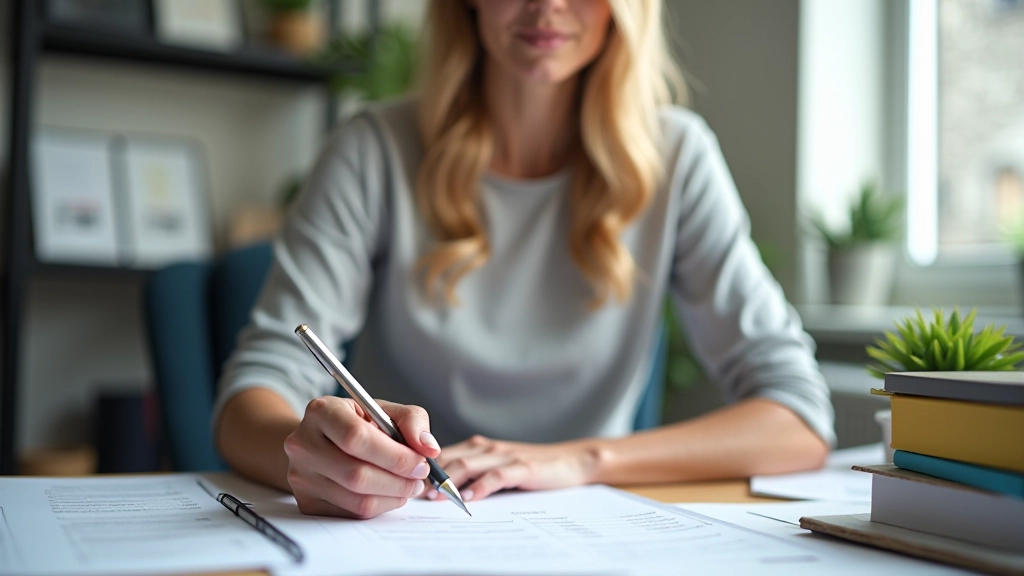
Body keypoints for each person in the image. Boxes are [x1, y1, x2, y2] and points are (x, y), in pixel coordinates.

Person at [214, 0, 833, 520]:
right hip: (409, 523)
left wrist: (582, 459)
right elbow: (253, 397)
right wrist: (313, 456)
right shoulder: (371, 150)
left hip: (588, 528)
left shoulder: (676, 157)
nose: (547, 5)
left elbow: (798, 415)